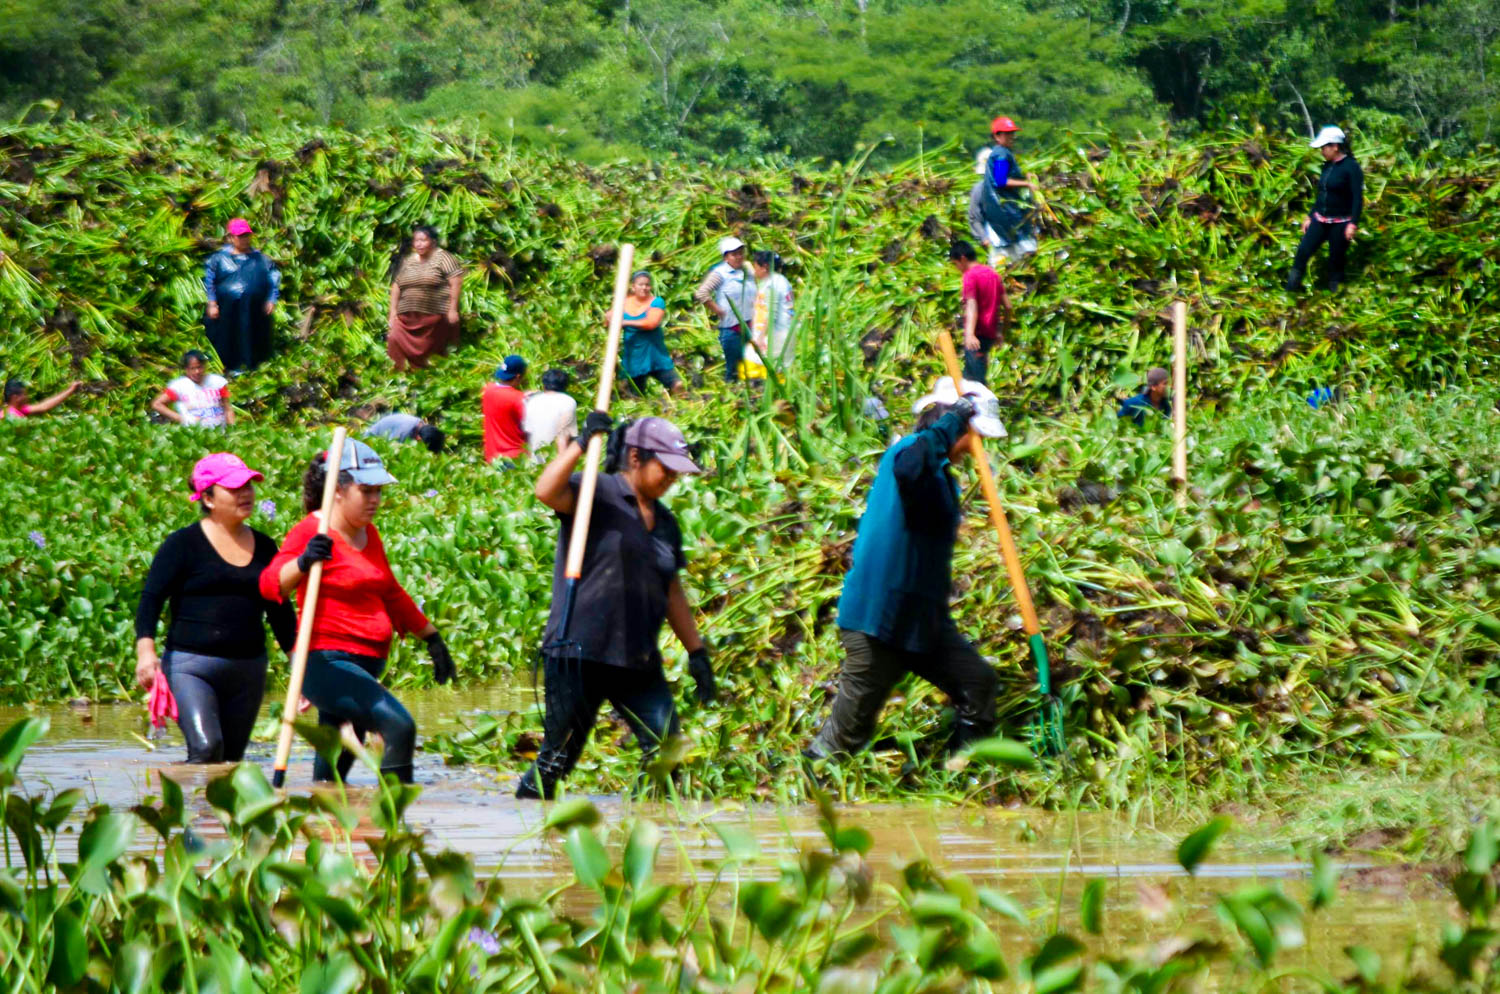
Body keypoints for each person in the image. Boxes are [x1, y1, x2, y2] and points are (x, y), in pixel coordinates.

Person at [803, 378, 1007, 761]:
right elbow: (910, 467)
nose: (975, 447)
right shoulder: (910, 453)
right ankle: (810, 794)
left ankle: (960, 777)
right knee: (841, 743)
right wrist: (951, 424)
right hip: (878, 621)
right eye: (974, 435)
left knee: (977, 683)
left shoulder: (941, 476)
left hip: (921, 622)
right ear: (959, 427)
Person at [517, 414, 716, 799]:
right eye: (666, 469)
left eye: (678, 472)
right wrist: (580, 443)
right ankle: (529, 826)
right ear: (637, 458)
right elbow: (545, 490)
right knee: (556, 761)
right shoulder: (596, 491)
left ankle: (643, 825)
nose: (672, 479)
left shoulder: (665, 522)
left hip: (636, 659)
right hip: (579, 652)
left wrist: (697, 652)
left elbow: (671, 589)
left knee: (665, 749)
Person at [259, 439, 455, 784]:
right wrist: (304, 561)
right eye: (366, 491)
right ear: (338, 490)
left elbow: (390, 591)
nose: (376, 500)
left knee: (331, 775)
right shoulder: (312, 530)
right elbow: (269, 585)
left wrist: (432, 637)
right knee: (399, 726)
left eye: (379, 491)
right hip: (327, 663)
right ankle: (395, 819)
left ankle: (327, 822)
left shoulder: (369, 533)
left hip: (366, 661)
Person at [134, 453, 296, 763]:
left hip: (248, 669)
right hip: (191, 667)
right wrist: (146, 652)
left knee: (232, 760)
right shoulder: (182, 544)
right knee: (207, 750)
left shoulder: (265, 546)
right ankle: (188, 805)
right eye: (235, 489)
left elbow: (279, 610)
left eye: (249, 486)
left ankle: (214, 813)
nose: (246, 494)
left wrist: (299, 663)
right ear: (208, 498)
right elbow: (151, 600)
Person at [1286, 127, 1363, 292]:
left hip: (1340, 222)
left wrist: (1353, 224)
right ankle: (1290, 292)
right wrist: (1310, 216)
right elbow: (1322, 194)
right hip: (1320, 219)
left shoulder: (1351, 167)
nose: (1322, 151)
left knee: (1336, 260)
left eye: (1324, 147)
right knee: (1303, 252)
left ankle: (1335, 296)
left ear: (1335, 146)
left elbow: (1358, 198)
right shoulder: (1327, 166)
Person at [204, 218, 281, 374]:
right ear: (232, 237)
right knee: (228, 335)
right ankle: (228, 367)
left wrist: (271, 300)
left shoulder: (262, 259)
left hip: (254, 308)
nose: (244, 239)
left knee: (254, 335)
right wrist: (212, 303)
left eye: (246, 235)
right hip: (228, 309)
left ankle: (255, 366)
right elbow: (210, 281)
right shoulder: (219, 259)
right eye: (240, 236)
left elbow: (274, 279)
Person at [387, 225, 465, 370]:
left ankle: (426, 373)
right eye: (416, 240)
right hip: (406, 318)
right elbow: (396, 286)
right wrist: (392, 313)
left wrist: (453, 309)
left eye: (423, 240)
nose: (419, 244)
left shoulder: (443, 258)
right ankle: (399, 373)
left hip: (433, 318)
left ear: (433, 242)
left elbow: (456, 281)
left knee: (431, 349)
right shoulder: (409, 261)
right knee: (394, 337)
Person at [975, 117, 1040, 264]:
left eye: (1012, 133)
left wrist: (1025, 176)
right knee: (1022, 252)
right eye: (1007, 134)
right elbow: (1000, 180)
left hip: (1000, 212)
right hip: (1005, 211)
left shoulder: (1001, 153)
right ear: (997, 136)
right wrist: (1027, 184)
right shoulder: (1001, 154)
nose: (1011, 137)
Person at [694, 236, 756, 383]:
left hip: (750, 323)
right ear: (726, 257)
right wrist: (718, 310)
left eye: (741, 253)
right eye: (734, 254)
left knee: (751, 362)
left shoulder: (747, 270)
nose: (739, 257)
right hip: (731, 326)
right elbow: (701, 293)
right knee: (734, 366)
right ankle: (732, 393)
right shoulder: (720, 273)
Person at [949, 241, 1011, 385]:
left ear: (963, 259)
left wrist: (970, 334)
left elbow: (971, 305)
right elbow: (1008, 306)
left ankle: (986, 406)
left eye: (956, 264)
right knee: (969, 377)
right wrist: (1002, 332)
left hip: (976, 336)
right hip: (989, 335)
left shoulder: (970, 276)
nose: (957, 268)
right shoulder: (993, 274)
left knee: (976, 382)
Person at [619, 271, 684, 395]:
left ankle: (681, 404)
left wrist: (625, 322)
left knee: (676, 384)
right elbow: (609, 321)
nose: (644, 288)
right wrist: (610, 318)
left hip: (654, 353)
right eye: (640, 285)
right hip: (634, 356)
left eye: (647, 285)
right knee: (636, 394)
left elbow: (651, 323)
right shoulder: (623, 303)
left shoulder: (656, 302)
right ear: (633, 287)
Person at [151, 350, 233, 427]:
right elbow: (157, 404)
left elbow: (227, 408)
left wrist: (232, 429)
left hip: (219, 432)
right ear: (186, 369)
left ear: (204, 366)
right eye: (192, 368)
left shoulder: (217, 382)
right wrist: (181, 418)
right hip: (193, 434)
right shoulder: (179, 386)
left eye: (199, 367)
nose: (197, 371)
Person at [749, 251, 796, 372]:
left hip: (775, 334)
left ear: (764, 267)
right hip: (784, 332)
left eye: (756, 267)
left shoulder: (772, 285)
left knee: (754, 364)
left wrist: (760, 338)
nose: (754, 271)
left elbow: (772, 315)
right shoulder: (780, 280)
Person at [524, 369, 579, 462]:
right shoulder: (568, 402)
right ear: (565, 386)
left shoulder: (532, 401)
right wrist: (562, 462)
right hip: (555, 458)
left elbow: (528, 434)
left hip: (534, 458)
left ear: (544, 385)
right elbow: (563, 434)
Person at [482, 355, 528, 465]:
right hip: (514, 457)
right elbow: (528, 426)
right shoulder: (518, 399)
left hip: (492, 457)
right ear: (518, 377)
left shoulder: (487, 389)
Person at [364, 413, 445, 453]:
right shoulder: (404, 428)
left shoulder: (421, 425)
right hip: (369, 442)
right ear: (418, 438)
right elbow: (389, 450)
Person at [4, 379, 81, 420]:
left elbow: (43, 406)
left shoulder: (19, 409)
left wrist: (71, 389)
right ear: (15, 397)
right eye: (24, 394)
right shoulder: (9, 417)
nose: (27, 397)